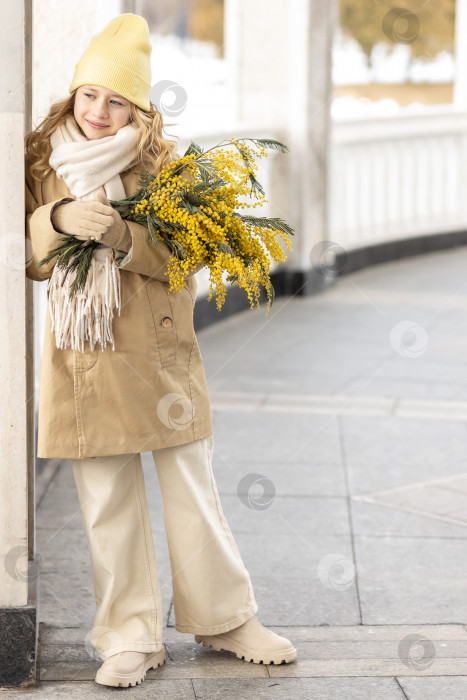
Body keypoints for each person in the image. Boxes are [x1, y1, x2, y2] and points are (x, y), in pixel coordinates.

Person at [24, 13, 297, 689]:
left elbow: (190, 258)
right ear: (73, 94)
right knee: (107, 499)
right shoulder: (40, 160)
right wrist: (54, 219)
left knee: (191, 488)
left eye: (116, 100)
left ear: (139, 109)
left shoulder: (167, 167)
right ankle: (128, 637)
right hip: (84, 355)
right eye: (90, 94)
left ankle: (226, 617)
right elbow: (23, 254)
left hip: (159, 349)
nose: (98, 111)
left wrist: (124, 239)